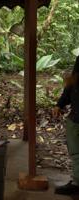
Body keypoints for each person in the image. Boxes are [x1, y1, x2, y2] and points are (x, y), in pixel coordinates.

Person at [53, 56, 79, 195]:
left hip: (76, 120)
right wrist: (59, 104)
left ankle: (77, 184)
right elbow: (70, 88)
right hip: (75, 117)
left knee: (76, 153)